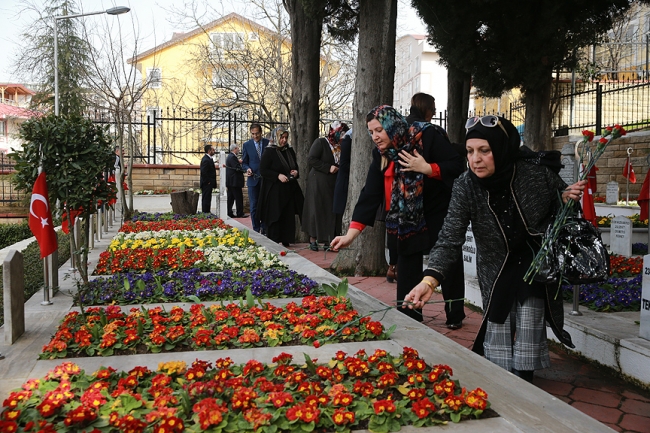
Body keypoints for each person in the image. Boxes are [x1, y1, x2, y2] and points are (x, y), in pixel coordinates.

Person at [404, 115, 585, 383]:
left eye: (484, 151)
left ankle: (525, 383)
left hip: (534, 261)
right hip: (496, 265)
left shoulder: (534, 173)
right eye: (470, 151)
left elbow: (563, 212)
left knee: (529, 317)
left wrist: (565, 200)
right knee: (498, 327)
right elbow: (450, 237)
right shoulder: (466, 185)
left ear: (500, 148)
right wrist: (429, 281)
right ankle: (500, 381)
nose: (475, 159)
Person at [330, 105, 464, 322]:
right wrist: (351, 234)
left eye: (379, 130)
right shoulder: (382, 154)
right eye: (371, 132)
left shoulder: (427, 136)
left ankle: (455, 313)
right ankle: (410, 315)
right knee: (407, 260)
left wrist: (428, 168)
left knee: (448, 262)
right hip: (405, 218)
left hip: (437, 209)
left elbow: (457, 166)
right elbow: (370, 194)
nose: (375, 137)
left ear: (392, 126)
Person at [405, 92, 466, 329]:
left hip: (407, 208)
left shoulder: (397, 133)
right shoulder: (433, 132)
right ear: (429, 110)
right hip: (436, 206)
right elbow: (455, 165)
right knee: (449, 257)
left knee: (410, 258)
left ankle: (409, 312)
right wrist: (431, 169)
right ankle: (454, 313)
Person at [303, 121, 349, 251]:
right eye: (341, 134)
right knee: (317, 210)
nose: (342, 137)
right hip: (319, 183)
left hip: (334, 183)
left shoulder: (341, 145)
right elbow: (311, 159)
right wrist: (328, 167)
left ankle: (329, 240)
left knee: (330, 210)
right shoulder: (321, 142)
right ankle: (313, 239)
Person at [258, 127, 304, 247]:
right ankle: (274, 239)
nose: (284, 140)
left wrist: (295, 172)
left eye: (286, 138)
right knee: (275, 215)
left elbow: (294, 165)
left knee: (288, 215)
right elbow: (263, 170)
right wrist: (277, 175)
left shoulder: (289, 150)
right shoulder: (269, 151)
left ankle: (286, 239)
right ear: (276, 137)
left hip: (288, 189)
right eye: (281, 137)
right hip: (274, 190)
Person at [241, 123, 269, 232]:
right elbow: (244, 163)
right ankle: (256, 229)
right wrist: (247, 169)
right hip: (253, 180)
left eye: (257, 133)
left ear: (261, 133)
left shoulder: (268, 143)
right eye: (253, 134)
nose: (255, 136)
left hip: (266, 179)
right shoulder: (247, 145)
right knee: (253, 206)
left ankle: (265, 228)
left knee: (266, 204)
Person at [225, 143, 246, 218]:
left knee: (230, 198)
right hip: (235, 182)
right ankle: (240, 213)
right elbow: (237, 168)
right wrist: (244, 169)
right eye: (238, 148)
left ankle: (229, 212)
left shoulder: (230, 157)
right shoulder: (232, 157)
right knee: (238, 197)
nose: (239, 150)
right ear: (234, 149)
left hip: (231, 182)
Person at [200, 144, 218, 214]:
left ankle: (207, 211)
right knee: (206, 198)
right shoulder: (206, 159)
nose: (214, 151)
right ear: (209, 151)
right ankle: (205, 212)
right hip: (206, 183)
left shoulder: (208, 159)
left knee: (208, 198)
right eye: (213, 150)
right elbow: (204, 172)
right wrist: (208, 181)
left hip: (208, 183)